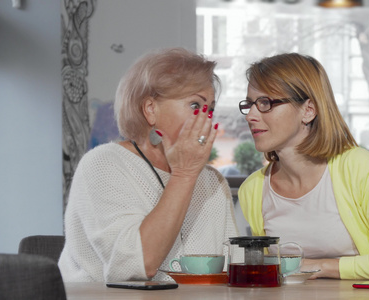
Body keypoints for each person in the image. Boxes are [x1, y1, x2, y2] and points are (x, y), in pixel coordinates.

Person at [237, 53, 369, 280]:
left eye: (265, 103)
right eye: (250, 105)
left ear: (308, 110)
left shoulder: (358, 168)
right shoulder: (253, 189)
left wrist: (319, 267)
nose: (251, 116)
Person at [58, 48, 238, 282]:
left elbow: (233, 272)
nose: (206, 118)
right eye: (196, 106)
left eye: (210, 109)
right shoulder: (103, 164)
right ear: (150, 109)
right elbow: (136, 265)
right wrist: (184, 174)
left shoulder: (213, 181)